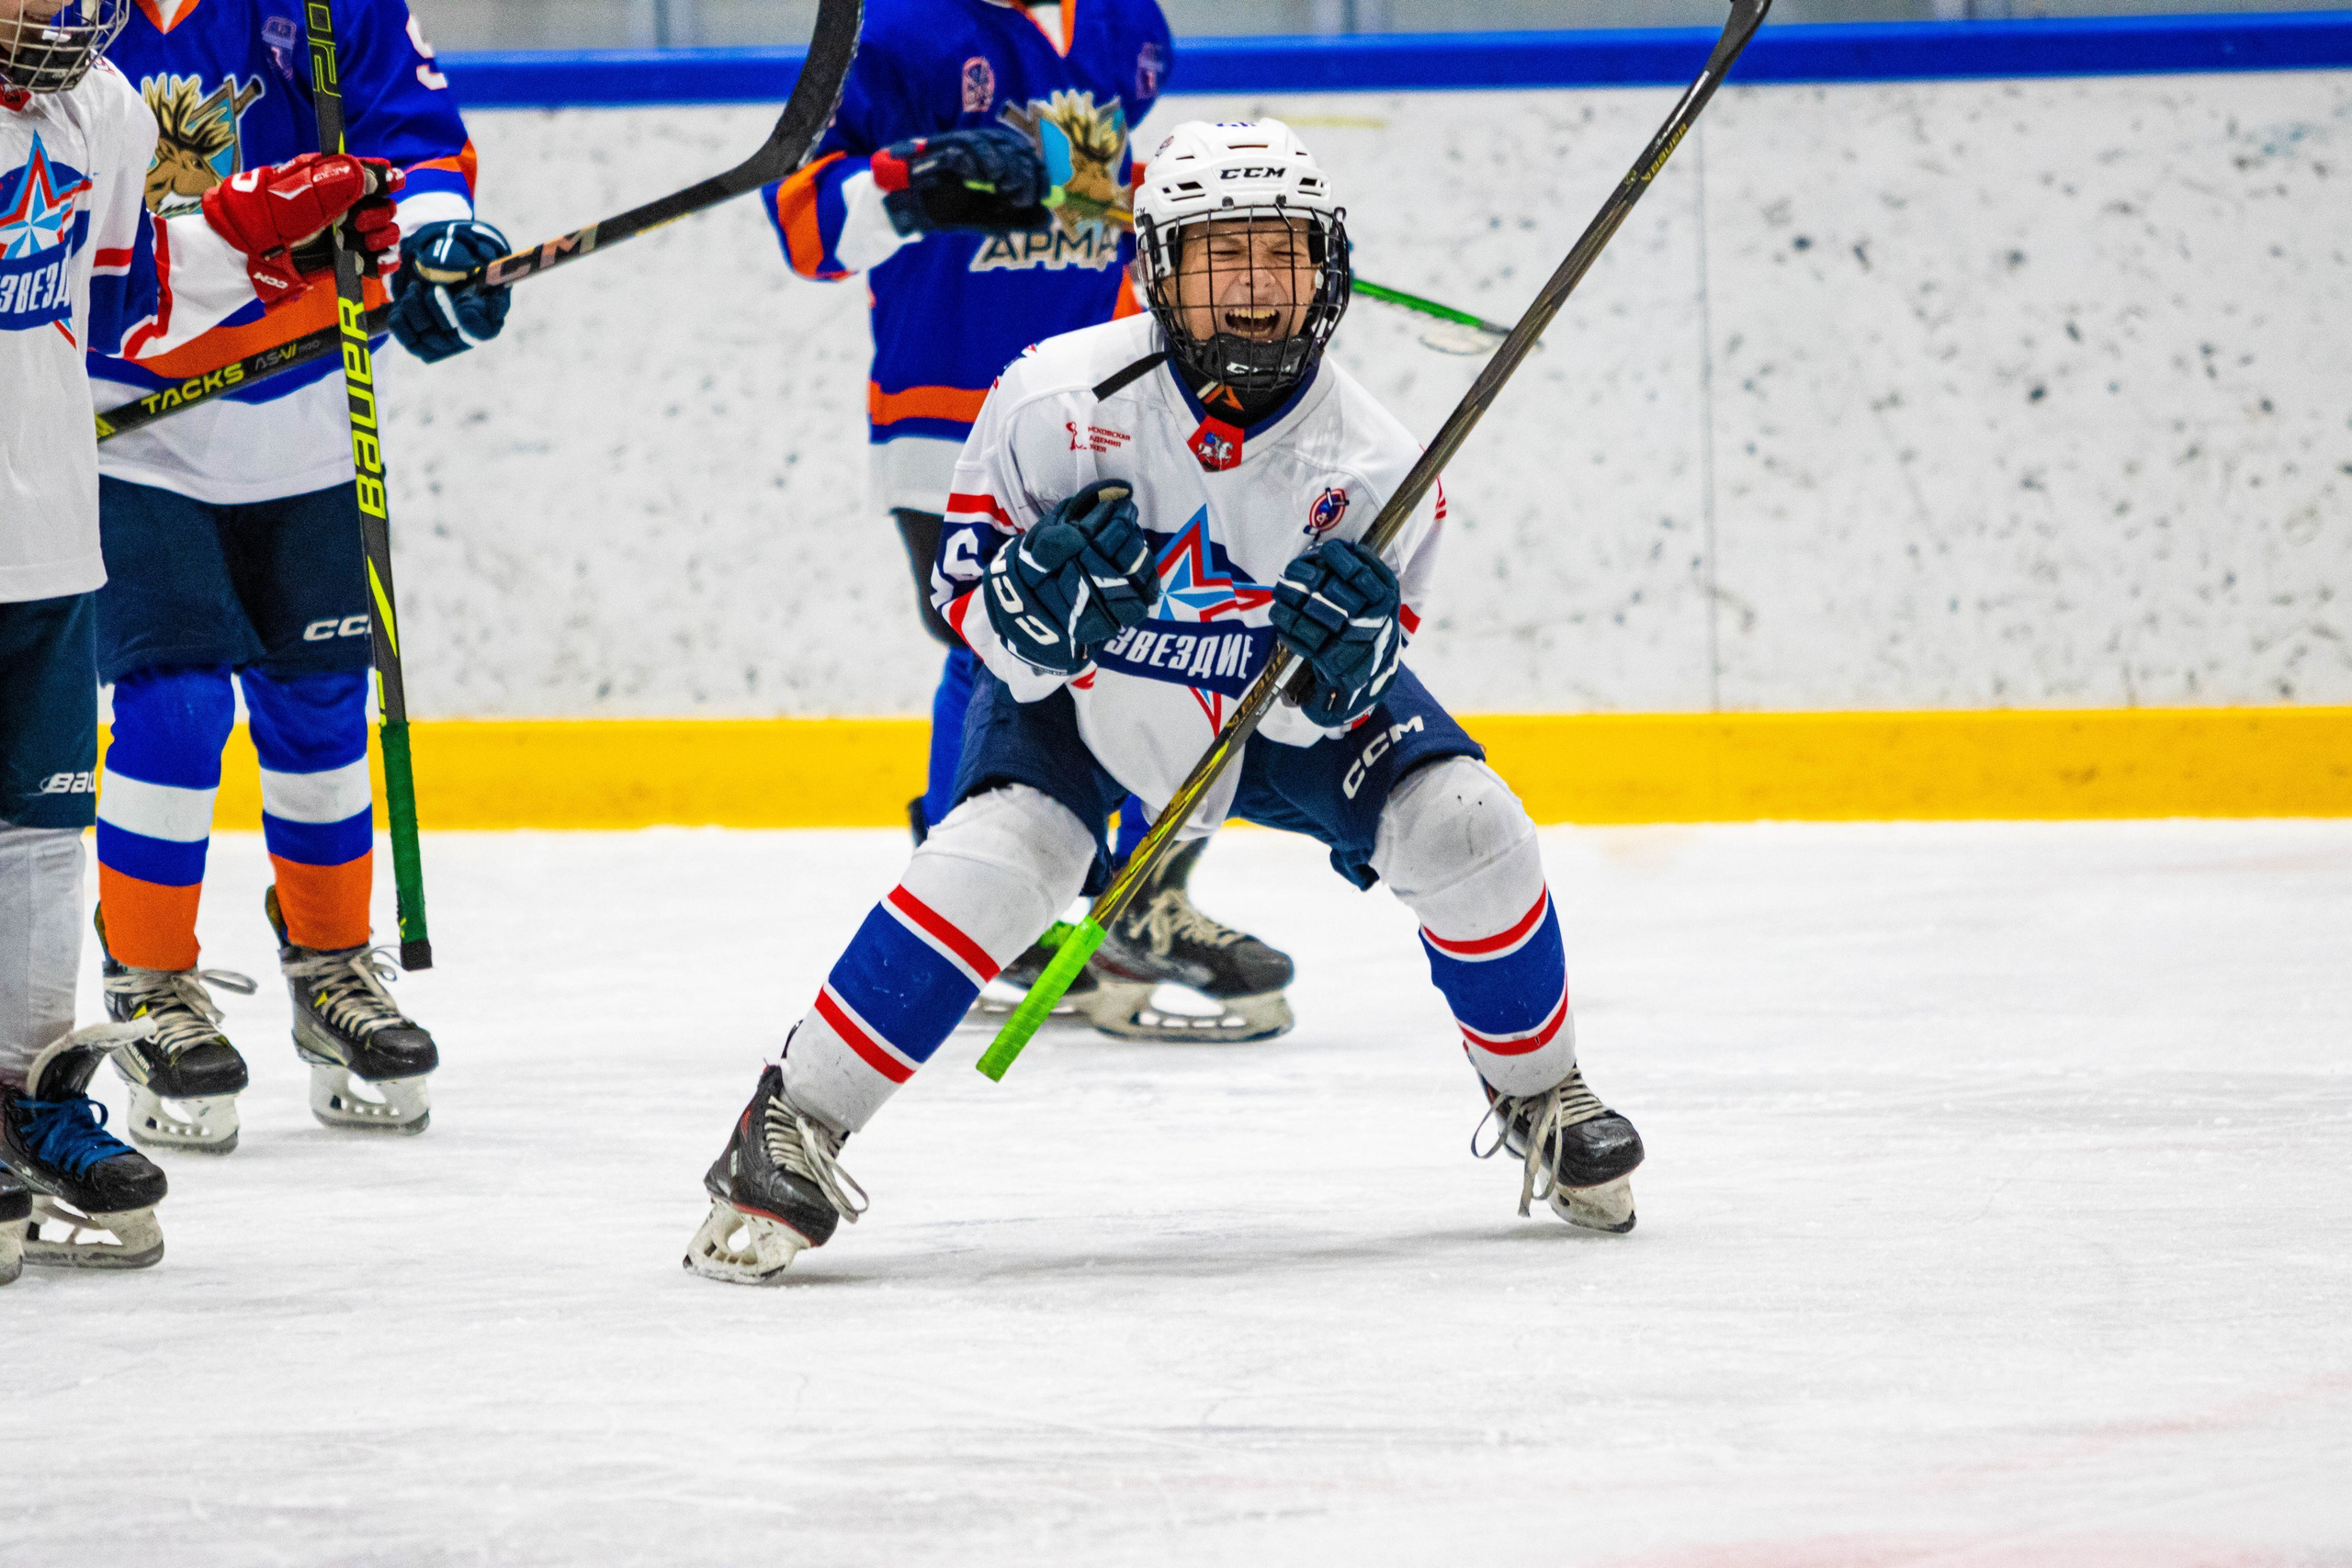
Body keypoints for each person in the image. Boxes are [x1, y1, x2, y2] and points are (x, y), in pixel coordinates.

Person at [684, 120, 1647, 1285]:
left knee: (1465, 822)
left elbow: (1324, 707)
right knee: (1004, 856)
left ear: (1324, 267)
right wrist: (1028, 613)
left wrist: (1339, 664)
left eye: (1279, 253)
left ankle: (1544, 1092)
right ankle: (791, 1119)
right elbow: (974, 616)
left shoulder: (1381, 465)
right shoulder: (1051, 399)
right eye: (1218, 254)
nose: (1252, 286)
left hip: (1266, 706)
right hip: (1081, 703)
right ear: (1158, 268)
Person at [763, 0, 1295, 1042]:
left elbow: (1108, 187)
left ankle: (1136, 893)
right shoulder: (894, 30)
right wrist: (908, 181)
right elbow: (803, 224)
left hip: (1116, 400)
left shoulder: (1126, 26)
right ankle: (981, 904)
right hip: (947, 401)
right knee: (995, 638)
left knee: (1167, 626)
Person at [3, 0, 398, 1269]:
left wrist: (261, 235)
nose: (59, 12)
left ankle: (29, 1099)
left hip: (46, 527)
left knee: (43, 829)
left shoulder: (101, 110)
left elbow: (139, 289)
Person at [79, 0, 512, 1153]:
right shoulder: (59, 17)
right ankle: (152, 983)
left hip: (306, 404)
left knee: (319, 705)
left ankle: (331, 968)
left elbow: (415, 138)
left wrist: (434, 237)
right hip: (127, 423)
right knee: (170, 704)